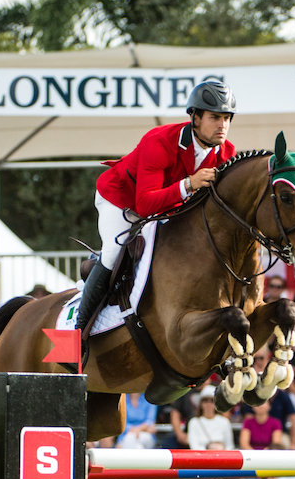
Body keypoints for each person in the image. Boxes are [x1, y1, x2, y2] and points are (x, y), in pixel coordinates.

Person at [76, 80, 238, 332]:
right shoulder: (160, 140)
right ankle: (78, 332)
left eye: (227, 118)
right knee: (113, 252)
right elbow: (145, 203)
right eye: (215, 117)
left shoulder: (226, 153)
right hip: (121, 200)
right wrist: (189, 184)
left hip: (166, 208)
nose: (222, 125)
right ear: (195, 118)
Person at [186, 385, 235, 450]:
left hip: (222, 457)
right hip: (201, 458)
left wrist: (221, 450)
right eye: (205, 400)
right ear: (200, 404)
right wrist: (209, 448)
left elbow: (230, 446)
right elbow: (194, 446)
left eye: (212, 401)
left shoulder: (224, 422)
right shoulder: (194, 422)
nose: (208, 404)